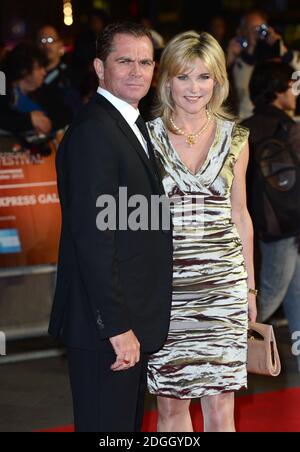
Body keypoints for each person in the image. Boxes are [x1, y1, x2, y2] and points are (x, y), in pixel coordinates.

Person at [48, 22, 173, 432]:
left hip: (128, 319)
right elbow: (94, 238)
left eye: (145, 62)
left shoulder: (127, 123)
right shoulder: (94, 132)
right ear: (100, 67)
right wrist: (116, 326)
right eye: (124, 61)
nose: (137, 71)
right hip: (108, 326)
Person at [147, 30, 257, 432]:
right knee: (172, 407)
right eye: (183, 76)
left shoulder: (236, 137)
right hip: (168, 290)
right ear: (167, 80)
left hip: (223, 288)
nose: (194, 88)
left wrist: (249, 290)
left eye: (204, 77)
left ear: (218, 81)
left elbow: (241, 215)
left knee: (220, 406)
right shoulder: (147, 137)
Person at [242, 62, 300, 371]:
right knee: (265, 300)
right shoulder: (289, 128)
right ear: (278, 90)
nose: (295, 92)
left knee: (296, 293)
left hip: (261, 225)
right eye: (291, 86)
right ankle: (228, 349)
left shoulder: (244, 127)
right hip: (287, 227)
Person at [227, 8, 300, 120]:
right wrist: (247, 52)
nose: (257, 33)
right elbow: (240, 90)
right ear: (241, 31)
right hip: (249, 121)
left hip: (283, 123)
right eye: (252, 29)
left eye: (261, 28)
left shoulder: (280, 55)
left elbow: (297, 82)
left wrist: (283, 52)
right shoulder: (238, 60)